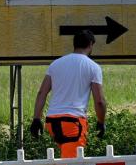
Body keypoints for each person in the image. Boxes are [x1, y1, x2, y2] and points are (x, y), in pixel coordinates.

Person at [29, 30, 107, 158]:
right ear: (91, 44)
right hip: (73, 122)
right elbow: (99, 101)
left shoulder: (56, 64)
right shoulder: (93, 67)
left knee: (61, 161)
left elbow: (42, 93)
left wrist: (36, 119)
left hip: (52, 121)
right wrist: (101, 121)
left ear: (74, 44)